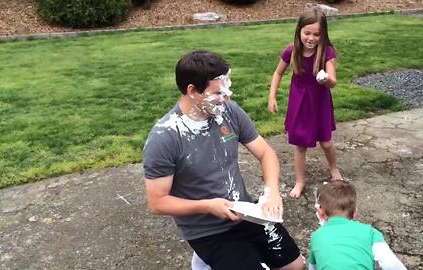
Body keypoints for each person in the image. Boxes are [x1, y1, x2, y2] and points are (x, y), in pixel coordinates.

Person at [143, 50, 304, 270]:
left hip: (246, 212)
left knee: (294, 266)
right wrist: (208, 206)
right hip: (208, 230)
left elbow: (266, 153)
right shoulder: (165, 137)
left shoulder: (228, 111)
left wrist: (272, 193)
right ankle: (206, 260)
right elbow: (157, 202)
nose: (226, 98)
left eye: (227, 90)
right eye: (218, 92)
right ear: (192, 91)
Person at [268, 9, 343, 199]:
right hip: (299, 101)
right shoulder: (292, 51)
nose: (311, 38)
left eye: (316, 34)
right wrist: (272, 97)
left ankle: (334, 169)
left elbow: (333, 81)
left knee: (326, 142)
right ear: (299, 31)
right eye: (307, 33)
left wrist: (326, 79)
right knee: (300, 144)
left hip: (320, 101)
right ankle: (300, 181)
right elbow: (277, 73)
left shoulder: (327, 52)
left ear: (323, 34)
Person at [309, 181, 407, 270]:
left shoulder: (316, 236)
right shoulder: (370, 233)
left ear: (321, 213)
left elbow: (313, 266)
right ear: (355, 212)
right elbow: (391, 265)